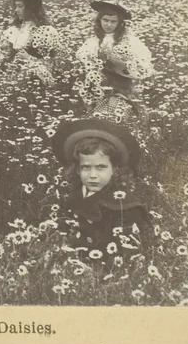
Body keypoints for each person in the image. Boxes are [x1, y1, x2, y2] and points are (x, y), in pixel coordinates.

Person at [52, 109, 151, 265]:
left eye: (101, 167)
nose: (93, 175)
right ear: (77, 170)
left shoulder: (124, 206)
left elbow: (126, 253)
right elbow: (63, 234)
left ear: (115, 169)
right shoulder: (72, 199)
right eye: (86, 167)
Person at [75, 0, 155, 106]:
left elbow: (143, 64)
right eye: (105, 20)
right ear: (99, 20)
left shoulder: (129, 41)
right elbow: (83, 60)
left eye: (113, 21)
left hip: (122, 86)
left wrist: (122, 63)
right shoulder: (93, 41)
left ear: (119, 23)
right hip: (97, 86)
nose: (108, 25)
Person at [0, 0, 68, 86]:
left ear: (31, 8)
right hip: (14, 84)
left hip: (36, 85)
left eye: (20, 6)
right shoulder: (14, 30)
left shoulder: (46, 32)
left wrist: (29, 59)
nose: (16, 10)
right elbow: (4, 62)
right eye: (15, 6)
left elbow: (54, 67)